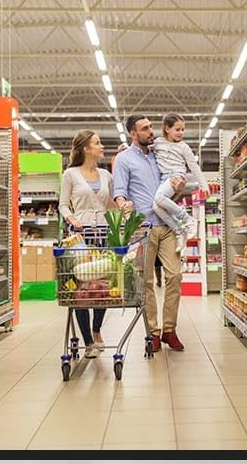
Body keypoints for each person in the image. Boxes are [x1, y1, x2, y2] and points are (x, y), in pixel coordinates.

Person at [112, 115, 186, 352]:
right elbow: (120, 191)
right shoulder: (123, 159)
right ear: (133, 134)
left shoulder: (159, 155)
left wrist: (179, 189)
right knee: (146, 281)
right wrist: (123, 204)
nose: (151, 131)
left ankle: (170, 330)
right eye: (145, 129)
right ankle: (153, 332)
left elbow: (172, 191)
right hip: (142, 227)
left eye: (151, 127)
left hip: (167, 224)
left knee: (174, 275)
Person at [59, 129, 122, 358]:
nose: (102, 146)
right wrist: (71, 218)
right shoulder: (71, 174)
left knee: (102, 286)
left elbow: (113, 204)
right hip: (80, 237)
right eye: (97, 143)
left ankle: (97, 331)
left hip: (103, 234)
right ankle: (87, 341)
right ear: (86, 148)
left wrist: (125, 212)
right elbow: (63, 204)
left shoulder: (106, 175)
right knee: (82, 288)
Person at [152, 113, 203, 254]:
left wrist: (204, 186)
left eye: (183, 130)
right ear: (167, 128)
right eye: (177, 129)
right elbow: (142, 149)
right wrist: (125, 149)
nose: (181, 133)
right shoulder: (158, 143)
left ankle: (188, 220)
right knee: (156, 207)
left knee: (159, 199)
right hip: (164, 178)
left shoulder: (183, 147)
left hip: (176, 176)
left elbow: (194, 166)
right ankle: (179, 231)